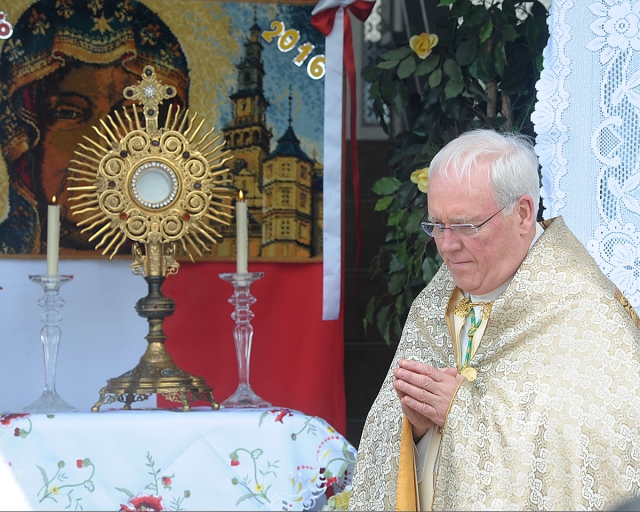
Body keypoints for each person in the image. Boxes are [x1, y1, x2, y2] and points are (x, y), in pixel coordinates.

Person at [349, 129, 640, 511]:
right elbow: (392, 444)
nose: (448, 245)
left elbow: (590, 457)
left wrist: (462, 412)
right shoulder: (436, 304)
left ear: (522, 214)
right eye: (436, 225)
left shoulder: (585, 312)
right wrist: (417, 431)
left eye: (466, 226)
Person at [0, 0, 189, 255]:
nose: (101, 146)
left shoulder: (179, 263)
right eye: (69, 113)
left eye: (132, 116)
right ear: (25, 137)